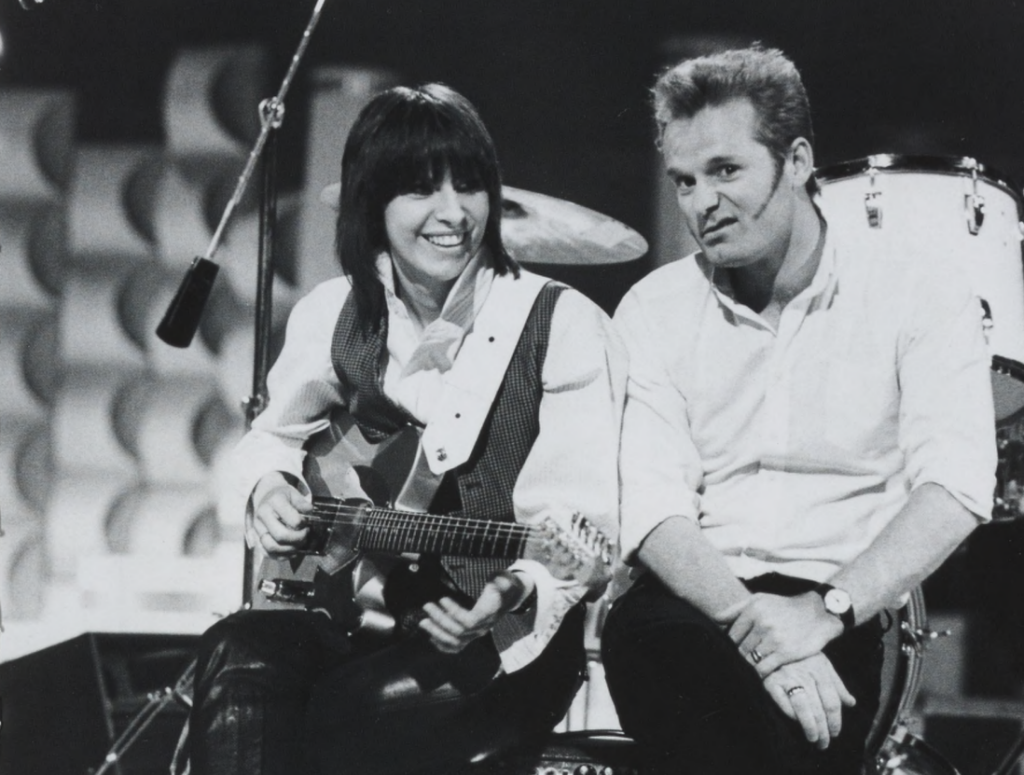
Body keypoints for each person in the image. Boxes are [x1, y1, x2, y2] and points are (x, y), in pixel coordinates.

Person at [187, 82, 625, 775]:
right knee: (235, 654)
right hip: (351, 612)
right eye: (422, 189)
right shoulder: (334, 310)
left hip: (502, 640)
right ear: (373, 204)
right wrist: (269, 485)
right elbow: (271, 437)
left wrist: (510, 591)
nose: (454, 212)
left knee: (337, 715)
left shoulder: (562, 323)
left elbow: (582, 527)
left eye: (470, 185)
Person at [601, 46, 996, 775]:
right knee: (671, 655)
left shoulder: (918, 291)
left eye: (725, 170)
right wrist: (764, 639)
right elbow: (653, 507)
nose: (701, 203)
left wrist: (823, 612)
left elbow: (957, 484)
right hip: (690, 598)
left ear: (798, 161)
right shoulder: (652, 309)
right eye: (684, 181)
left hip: (838, 603)